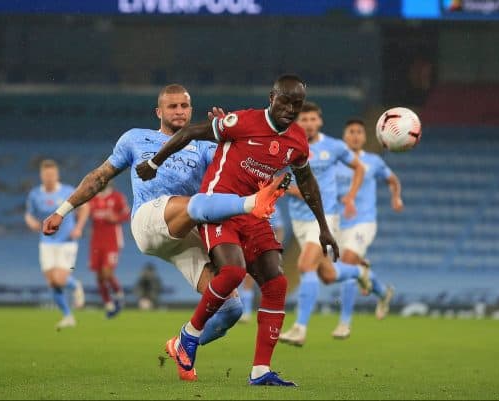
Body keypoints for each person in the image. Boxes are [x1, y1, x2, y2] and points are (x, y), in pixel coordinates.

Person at [41, 84, 287, 381]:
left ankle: (182, 344)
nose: (179, 112)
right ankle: (247, 206)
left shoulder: (205, 146)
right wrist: (62, 211)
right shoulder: (135, 139)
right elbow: (99, 177)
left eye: (184, 106)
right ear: (159, 112)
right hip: (150, 219)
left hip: (186, 231)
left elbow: (231, 176)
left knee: (230, 308)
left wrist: (227, 143)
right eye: (172, 107)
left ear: (191, 109)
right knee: (197, 204)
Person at [136, 75, 339, 387]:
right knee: (232, 272)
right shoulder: (243, 121)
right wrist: (154, 162)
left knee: (276, 282)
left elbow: (307, 181)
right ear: (272, 97)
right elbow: (191, 131)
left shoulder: (297, 141)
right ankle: (188, 337)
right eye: (284, 101)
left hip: (255, 216)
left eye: (295, 104)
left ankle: (260, 371)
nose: (289, 109)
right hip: (220, 207)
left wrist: (323, 227)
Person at [279, 102, 369, 347]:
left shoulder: (334, 147)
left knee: (305, 264)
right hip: (299, 219)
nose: (308, 124)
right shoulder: (287, 144)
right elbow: (277, 176)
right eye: (303, 120)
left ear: (320, 121)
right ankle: (359, 272)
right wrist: (289, 189)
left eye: (312, 119)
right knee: (328, 274)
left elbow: (358, 167)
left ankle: (300, 328)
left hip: (326, 217)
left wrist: (350, 195)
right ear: (296, 123)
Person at [331, 119, 401, 339]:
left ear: (364, 136)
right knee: (348, 269)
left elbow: (392, 180)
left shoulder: (374, 161)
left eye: (359, 132)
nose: (355, 135)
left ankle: (344, 323)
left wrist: (396, 198)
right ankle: (382, 291)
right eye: (351, 131)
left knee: (348, 262)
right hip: (338, 223)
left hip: (364, 221)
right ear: (344, 136)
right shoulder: (335, 162)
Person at [24, 159, 88, 330]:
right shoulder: (35, 194)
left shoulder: (68, 191)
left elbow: (85, 208)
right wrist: (32, 223)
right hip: (46, 242)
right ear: (41, 175)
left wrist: (79, 227)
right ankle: (68, 316)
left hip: (66, 241)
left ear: (56, 175)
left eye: (52, 174)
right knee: (52, 282)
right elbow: (29, 215)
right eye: (46, 175)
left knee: (60, 279)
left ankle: (76, 286)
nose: (49, 177)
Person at [88, 181, 130, 318]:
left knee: (107, 272)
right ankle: (108, 304)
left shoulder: (117, 197)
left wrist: (116, 217)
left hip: (112, 240)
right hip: (96, 241)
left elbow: (128, 214)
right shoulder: (92, 198)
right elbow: (83, 214)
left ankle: (119, 295)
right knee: (99, 276)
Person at [239, 204, 285, 323]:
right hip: (251, 246)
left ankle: (271, 311)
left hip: (268, 248)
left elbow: (279, 229)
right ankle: (247, 312)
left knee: (271, 280)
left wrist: (276, 248)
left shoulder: (271, 206)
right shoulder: (246, 204)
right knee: (248, 278)